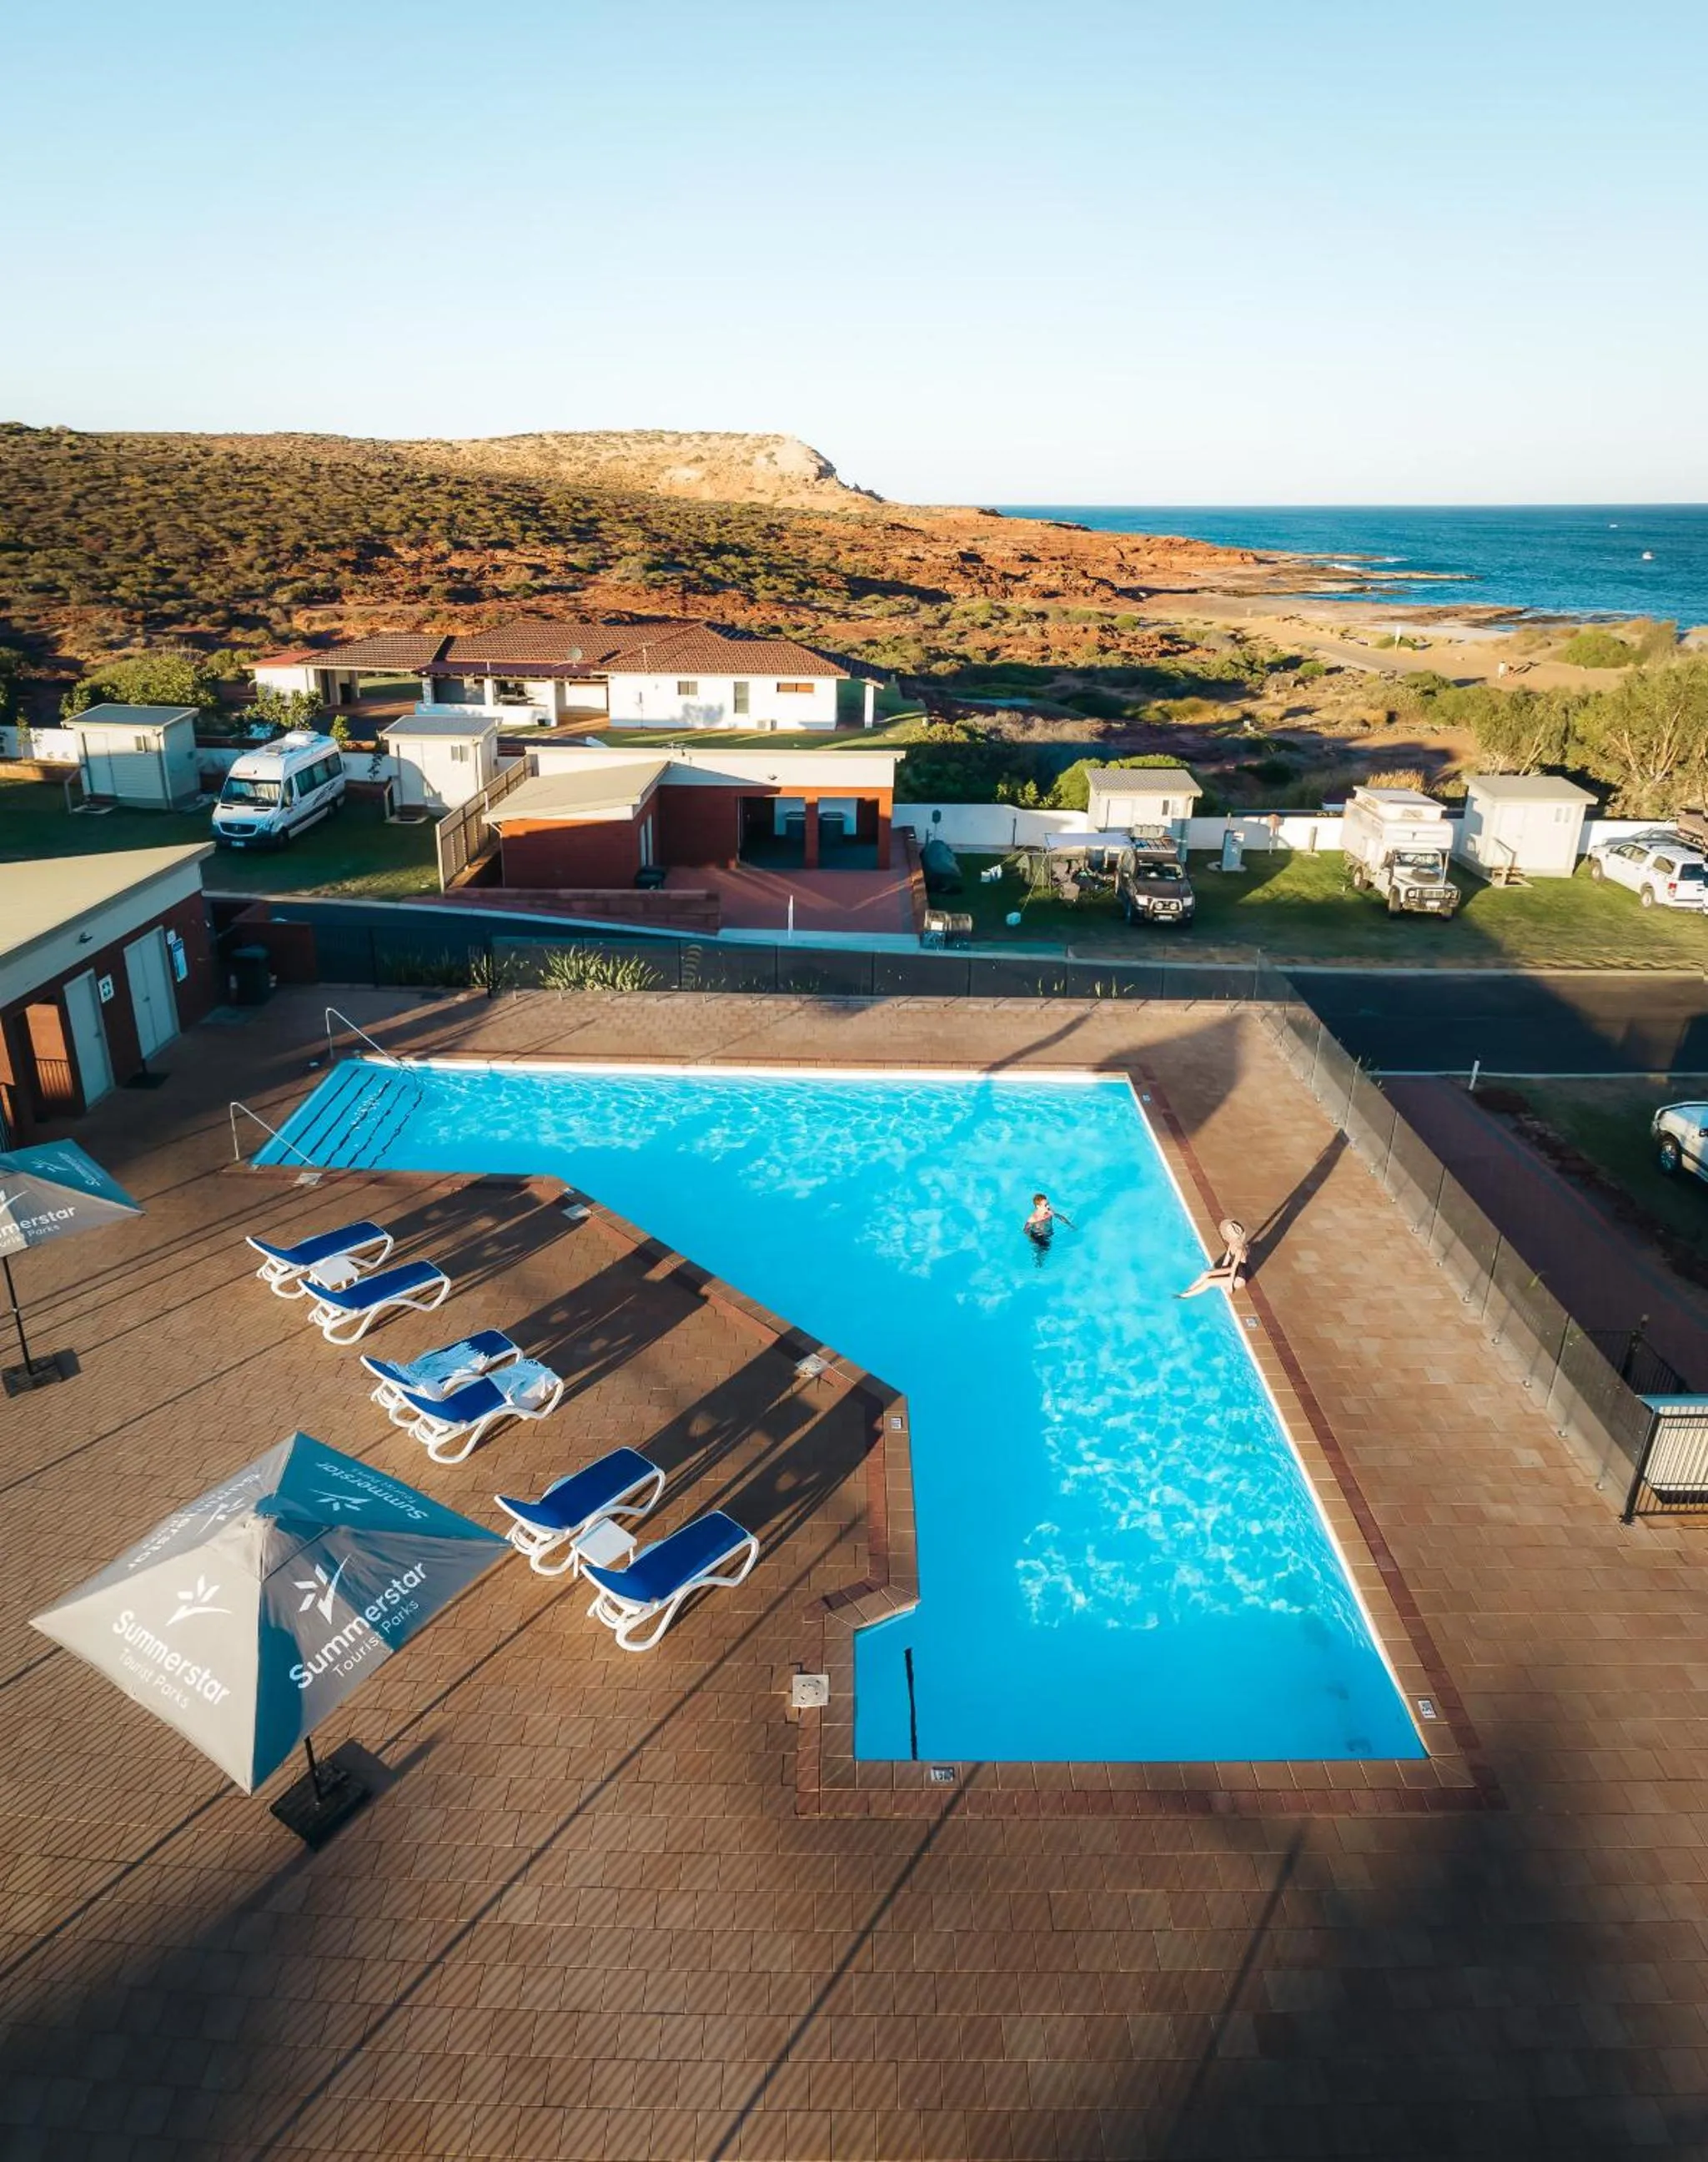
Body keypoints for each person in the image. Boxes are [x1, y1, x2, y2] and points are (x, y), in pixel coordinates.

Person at [1177, 1217, 1251, 1299]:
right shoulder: (1232, 1244)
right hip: (1231, 1270)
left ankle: (1185, 1296)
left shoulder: (1239, 1250)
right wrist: (1221, 1271)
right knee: (1206, 1274)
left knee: (1209, 1282)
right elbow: (1227, 1259)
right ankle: (1188, 1290)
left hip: (1239, 1278)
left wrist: (1230, 1286)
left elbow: (1234, 1267)